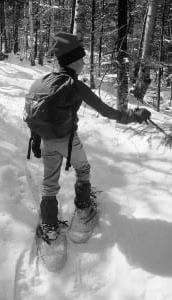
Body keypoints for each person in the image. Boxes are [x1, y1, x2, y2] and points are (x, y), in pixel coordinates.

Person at [27, 32, 151, 271]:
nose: (84, 62)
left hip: (45, 140)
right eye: (81, 58)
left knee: (49, 183)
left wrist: (36, 140)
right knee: (83, 169)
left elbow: (34, 113)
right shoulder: (74, 85)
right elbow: (106, 111)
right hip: (67, 140)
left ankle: (51, 228)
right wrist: (134, 116)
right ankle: (84, 210)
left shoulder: (40, 81)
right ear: (72, 60)